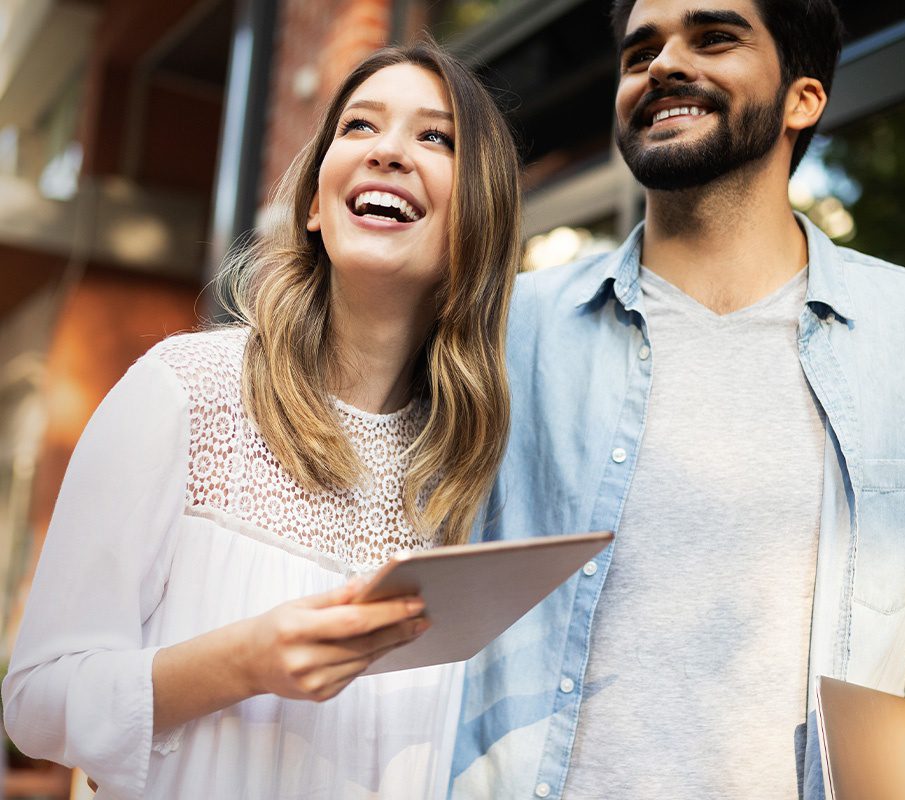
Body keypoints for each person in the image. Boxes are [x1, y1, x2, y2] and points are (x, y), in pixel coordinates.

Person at [449, 1, 905, 798]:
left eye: (714, 37)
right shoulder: (506, 332)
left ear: (804, 97)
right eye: (639, 52)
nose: (661, 65)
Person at [2, 40, 520, 799]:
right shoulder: (183, 392)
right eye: (360, 127)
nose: (389, 153)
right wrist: (246, 661)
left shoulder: (467, 476)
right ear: (314, 203)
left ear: (482, 214)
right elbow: (35, 704)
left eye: (435, 137)